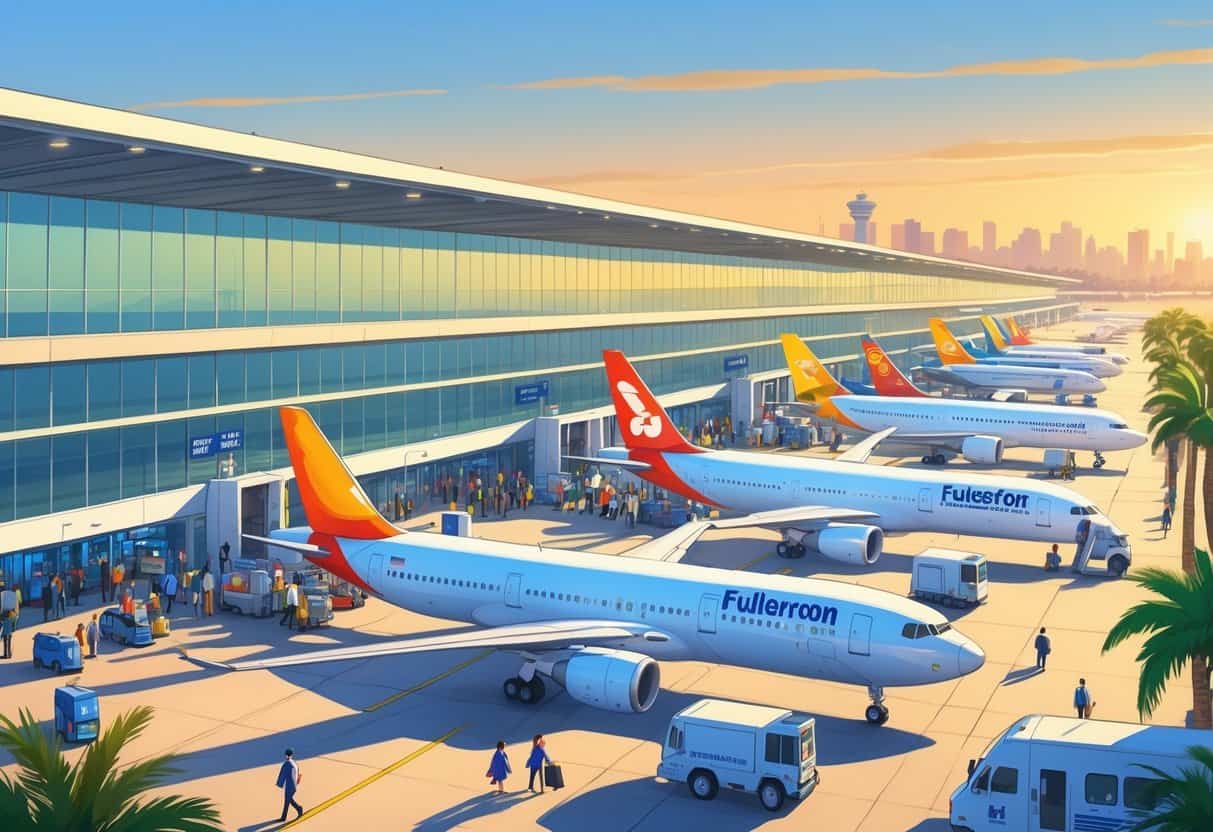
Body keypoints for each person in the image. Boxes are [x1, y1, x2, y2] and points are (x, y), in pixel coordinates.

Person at [275, 748, 304, 821]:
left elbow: (283, 774)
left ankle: (297, 810)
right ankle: (297, 809)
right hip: (294, 785)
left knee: (287, 801)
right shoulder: (294, 763)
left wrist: (280, 784)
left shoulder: (287, 763)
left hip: (289, 786)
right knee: (289, 800)